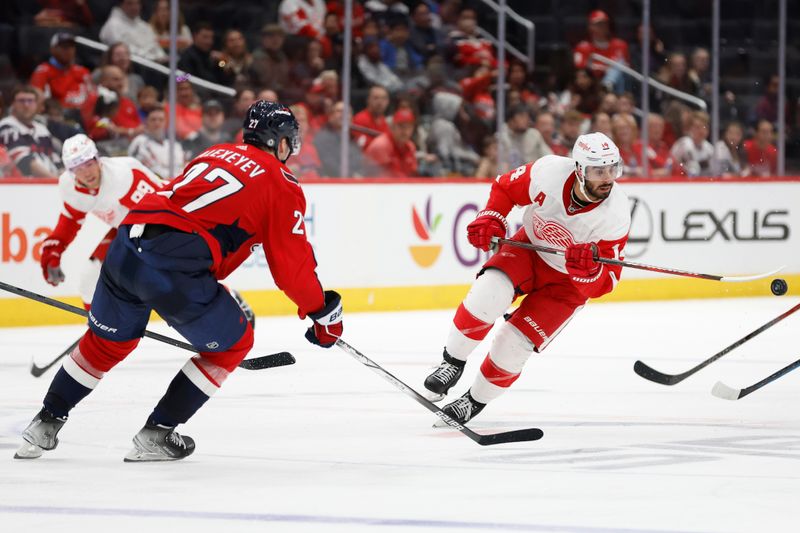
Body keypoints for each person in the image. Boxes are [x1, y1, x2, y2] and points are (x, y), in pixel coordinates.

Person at [16, 101, 344, 462]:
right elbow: (291, 266)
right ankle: (157, 432)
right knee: (234, 344)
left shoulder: (216, 151)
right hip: (175, 268)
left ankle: (43, 424)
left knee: (104, 345)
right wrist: (322, 312)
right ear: (279, 142)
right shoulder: (282, 184)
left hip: (125, 247)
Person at [423, 132, 630, 424]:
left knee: (513, 345)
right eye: (599, 170)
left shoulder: (616, 213)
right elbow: (505, 189)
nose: (608, 178)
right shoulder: (549, 172)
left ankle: (473, 401)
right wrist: (492, 216)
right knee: (487, 295)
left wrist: (589, 273)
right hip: (529, 250)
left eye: (613, 168)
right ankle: (452, 363)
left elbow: (607, 281)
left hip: (567, 286)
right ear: (579, 169)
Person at [38, 134, 164, 309]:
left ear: (98, 160)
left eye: (89, 164)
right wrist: (52, 251)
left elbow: (162, 214)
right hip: (126, 230)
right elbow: (70, 220)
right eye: (78, 168)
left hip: (160, 228)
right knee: (89, 280)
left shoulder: (124, 175)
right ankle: (98, 330)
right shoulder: (69, 186)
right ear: (70, 172)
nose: (87, 172)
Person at [0, 86, 62, 178]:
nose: (26, 105)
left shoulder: (42, 129)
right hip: (24, 186)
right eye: (21, 101)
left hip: (49, 184)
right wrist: (54, 181)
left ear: (37, 104)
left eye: (30, 101)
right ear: (13, 104)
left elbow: (57, 161)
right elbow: (24, 162)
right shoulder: (6, 126)